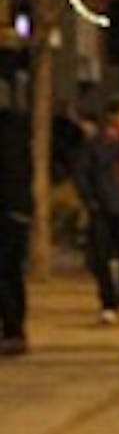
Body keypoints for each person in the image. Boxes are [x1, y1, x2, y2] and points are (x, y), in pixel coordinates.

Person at [79, 98, 119, 326]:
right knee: (102, 257)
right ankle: (108, 302)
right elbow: (82, 172)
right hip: (102, 207)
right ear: (112, 116)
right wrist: (91, 200)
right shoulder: (94, 144)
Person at [0, 105, 29, 356]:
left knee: (6, 272)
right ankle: (13, 330)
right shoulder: (15, 125)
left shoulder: (9, 128)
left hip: (9, 210)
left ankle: (13, 330)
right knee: (10, 272)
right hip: (16, 210)